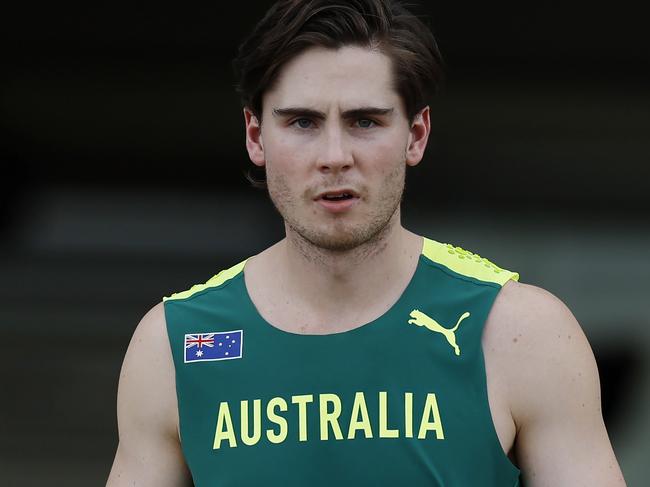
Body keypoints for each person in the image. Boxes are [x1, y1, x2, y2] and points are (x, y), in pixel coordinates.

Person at [106, 1, 626, 485]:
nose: (335, 155)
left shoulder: (519, 331)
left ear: (416, 135)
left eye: (364, 121)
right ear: (256, 137)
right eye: (303, 122)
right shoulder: (174, 343)